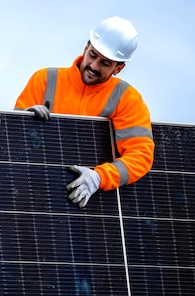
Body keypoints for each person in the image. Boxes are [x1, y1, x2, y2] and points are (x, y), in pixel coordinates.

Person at [14, 16, 154, 207]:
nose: (94, 66)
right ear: (86, 47)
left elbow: (140, 155)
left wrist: (99, 177)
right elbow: (11, 142)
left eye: (105, 63)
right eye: (93, 55)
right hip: (34, 193)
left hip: (93, 208)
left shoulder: (127, 99)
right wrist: (25, 121)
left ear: (119, 68)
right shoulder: (45, 79)